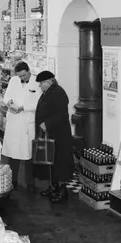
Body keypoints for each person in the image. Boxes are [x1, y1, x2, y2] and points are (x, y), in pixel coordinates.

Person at [34, 71, 75, 202]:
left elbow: (62, 114)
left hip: (59, 135)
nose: (40, 85)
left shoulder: (58, 92)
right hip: (50, 134)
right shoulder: (48, 92)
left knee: (60, 163)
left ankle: (62, 192)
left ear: (49, 81)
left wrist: (47, 123)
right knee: (52, 162)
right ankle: (53, 187)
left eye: (41, 83)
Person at [1, 62, 41, 192]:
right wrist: (9, 103)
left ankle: (30, 183)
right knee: (13, 153)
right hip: (14, 121)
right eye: (19, 76)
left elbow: (38, 103)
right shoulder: (13, 80)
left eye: (24, 75)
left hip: (26, 122)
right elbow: (7, 96)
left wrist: (23, 108)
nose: (22, 78)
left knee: (28, 153)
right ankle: (13, 181)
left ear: (29, 71)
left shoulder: (37, 82)